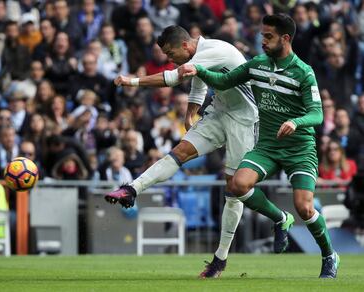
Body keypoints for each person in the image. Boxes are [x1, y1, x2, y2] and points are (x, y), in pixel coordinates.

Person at [178, 13, 339, 278]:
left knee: (305, 208)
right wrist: (200, 71)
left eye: (268, 36)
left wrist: (296, 122)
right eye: (261, 35)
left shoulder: (303, 72)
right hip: (268, 145)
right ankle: (280, 218)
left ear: (285, 39)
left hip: (299, 148)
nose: (262, 40)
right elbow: (223, 81)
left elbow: (317, 114)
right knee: (237, 185)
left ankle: (329, 256)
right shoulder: (257, 64)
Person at [107, 25, 258, 278]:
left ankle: (220, 260)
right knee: (180, 152)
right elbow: (199, 85)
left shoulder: (214, 50)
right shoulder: (198, 54)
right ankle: (132, 189)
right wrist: (190, 114)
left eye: (169, 52)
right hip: (219, 114)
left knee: (234, 190)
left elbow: (173, 78)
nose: (168, 58)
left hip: (244, 121)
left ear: (185, 46)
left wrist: (131, 80)